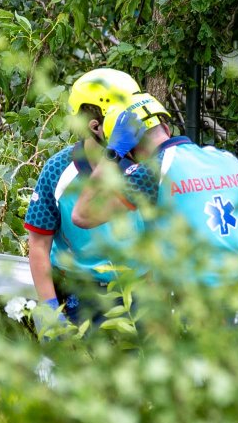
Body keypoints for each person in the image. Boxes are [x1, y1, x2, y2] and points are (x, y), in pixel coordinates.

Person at [22, 68, 156, 338]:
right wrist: (49, 311)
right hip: (78, 297)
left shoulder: (145, 169)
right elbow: (38, 244)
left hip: (138, 295)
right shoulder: (58, 170)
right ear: (95, 126)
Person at [74, 91, 238, 295]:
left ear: (130, 150)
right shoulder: (228, 160)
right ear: (166, 128)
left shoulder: (154, 170)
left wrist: (112, 153)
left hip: (195, 302)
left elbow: (82, 215)